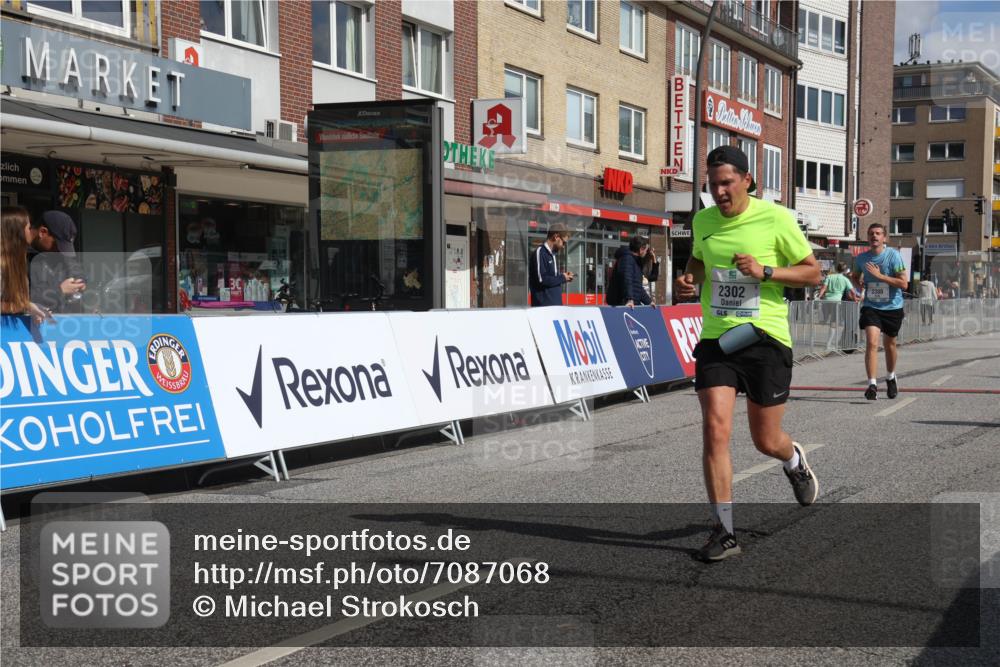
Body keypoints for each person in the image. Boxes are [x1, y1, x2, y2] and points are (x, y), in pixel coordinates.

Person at [674, 145, 822, 562]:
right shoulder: (702, 220)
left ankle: (793, 459)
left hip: (764, 339)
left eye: (726, 183)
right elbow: (699, 261)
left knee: (765, 439)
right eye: (712, 184)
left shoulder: (776, 218)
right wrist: (690, 278)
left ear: (747, 181)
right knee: (715, 429)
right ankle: (723, 531)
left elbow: (813, 272)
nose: (719, 192)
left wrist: (766, 272)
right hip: (718, 340)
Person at [851, 223, 909, 401]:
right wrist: (858, 285)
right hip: (871, 306)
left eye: (877, 233)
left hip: (893, 306)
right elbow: (854, 276)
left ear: (884, 237)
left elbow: (904, 284)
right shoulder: (861, 259)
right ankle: (872, 385)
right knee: (872, 342)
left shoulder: (894, 256)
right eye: (871, 234)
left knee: (890, 344)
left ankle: (891, 376)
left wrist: (880, 276)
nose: (874, 236)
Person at [1, 206, 55, 324]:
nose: (31, 231)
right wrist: (26, 307)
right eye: (29, 227)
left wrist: (35, 310)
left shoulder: (18, 262)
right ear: (16, 232)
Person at [28, 210, 86, 313]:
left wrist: (80, 282)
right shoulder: (18, 256)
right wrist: (59, 291)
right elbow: (19, 299)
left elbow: (74, 268)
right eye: (57, 246)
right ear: (42, 232)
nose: (60, 252)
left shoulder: (56, 253)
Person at [528, 223, 574, 307]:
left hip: (555, 307)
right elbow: (542, 279)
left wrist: (563, 277)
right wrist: (562, 277)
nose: (564, 246)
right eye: (563, 242)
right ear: (556, 237)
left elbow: (551, 279)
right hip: (544, 308)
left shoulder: (552, 254)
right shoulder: (540, 252)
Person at [817, 262, 855, 351]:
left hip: (826, 301)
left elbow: (823, 288)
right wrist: (855, 299)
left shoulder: (830, 277)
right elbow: (852, 291)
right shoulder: (845, 279)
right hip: (837, 302)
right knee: (833, 323)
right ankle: (828, 344)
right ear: (845, 270)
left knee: (824, 320)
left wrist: (819, 297)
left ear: (836, 269)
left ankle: (823, 321)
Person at [611, 236, 654, 308]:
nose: (646, 253)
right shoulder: (627, 259)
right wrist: (629, 299)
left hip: (633, 304)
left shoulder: (635, 261)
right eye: (646, 250)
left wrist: (649, 301)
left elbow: (637, 287)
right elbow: (627, 280)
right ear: (641, 249)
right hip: (625, 304)